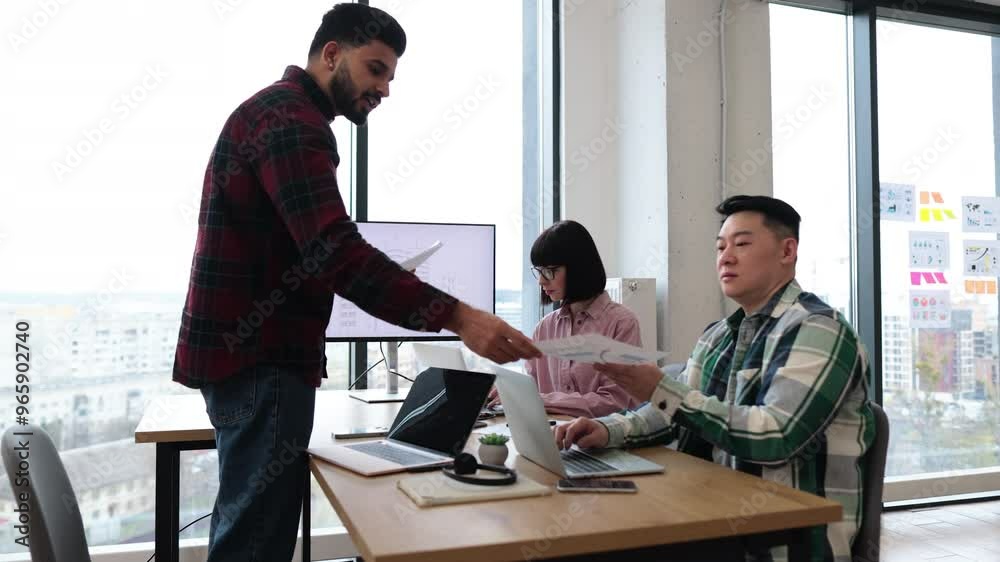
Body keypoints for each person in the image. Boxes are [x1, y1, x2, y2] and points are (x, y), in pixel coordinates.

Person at [172, 5, 539, 561]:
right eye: (375, 69)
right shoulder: (293, 121)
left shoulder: (276, 113)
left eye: (390, 76)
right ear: (331, 54)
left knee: (247, 527)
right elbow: (334, 252)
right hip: (263, 360)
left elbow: (310, 250)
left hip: (249, 360)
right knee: (256, 542)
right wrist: (461, 317)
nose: (385, 89)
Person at [555, 196, 874, 562]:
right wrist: (606, 430)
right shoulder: (717, 336)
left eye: (742, 244)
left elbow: (775, 435)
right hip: (716, 521)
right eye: (720, 247)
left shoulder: (819, 329)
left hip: (788, 543)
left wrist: (660, 389)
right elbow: (672, 414)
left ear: (787, 251)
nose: (726, 257)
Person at [490, 220, 642, 417]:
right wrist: (509, 391)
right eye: (539, 271)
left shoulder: (622, 324)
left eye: (550, 271)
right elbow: (532, 388)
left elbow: (615, 402)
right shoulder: (545, 328)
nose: (541, 281)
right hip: (551, 432)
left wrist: (541, 400)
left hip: (599, 434)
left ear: (578, 268)